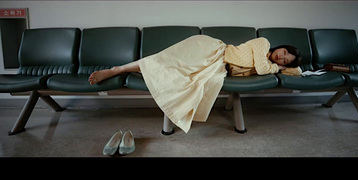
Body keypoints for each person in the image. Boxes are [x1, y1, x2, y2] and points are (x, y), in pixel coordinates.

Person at [88, 35, 302, 133]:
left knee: (177, 73)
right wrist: (278, 68)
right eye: (283, 53)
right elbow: (265, 69)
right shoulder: (263, 43)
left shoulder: (271, 63)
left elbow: (297, 71)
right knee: (166, 59)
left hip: (217, 67)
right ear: (280, 46)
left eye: (285, 60)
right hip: (213, 51)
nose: (281, 59)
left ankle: (125, 69)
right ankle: (118, 69)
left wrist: (289, 67)